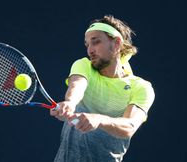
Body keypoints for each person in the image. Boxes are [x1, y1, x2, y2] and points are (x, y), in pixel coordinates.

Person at [50, 15, 155, 162]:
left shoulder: (141, 87)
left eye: (96, 42)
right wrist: (70, 104)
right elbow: (77, 86)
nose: (90, 50)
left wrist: (98, 120)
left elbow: (130, 126)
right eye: (87, 45)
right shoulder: (84, 65)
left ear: (117, 44)